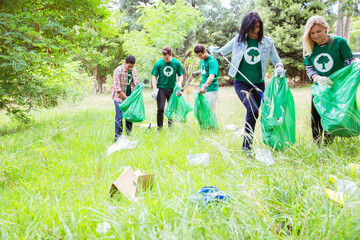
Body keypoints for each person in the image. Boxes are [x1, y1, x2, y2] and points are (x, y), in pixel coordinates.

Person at [214, 12, 285, 153]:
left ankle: (247, 146)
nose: (255, 31)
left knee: (253, 114)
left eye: (258, 27)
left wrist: (279, 68)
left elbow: (277, 61)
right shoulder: (237, 40)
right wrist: (212, 50)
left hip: (258, 84)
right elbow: (220, 52)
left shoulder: (268, 42)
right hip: (241, 83)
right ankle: (246, 148)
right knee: (252, 109)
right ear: (245, 27)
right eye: (252, 27)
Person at [302, 15, 356, 146]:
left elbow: (349, 61)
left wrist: (356, 62)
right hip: (320, 87)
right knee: (315, 117)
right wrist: (316, 78)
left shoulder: (339, 42)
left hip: (336, 86)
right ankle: (316, 144)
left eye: (318, 31)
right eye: (312, 33)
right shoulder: (308, 47)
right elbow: (309, 68)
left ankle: (327, 145)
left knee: (330, 115)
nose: (315, 35)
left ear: (325, 29)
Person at [151, 46, 184, 129]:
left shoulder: (177, 63)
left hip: (173, 89)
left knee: (171, 109)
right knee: (161, 108)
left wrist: (179, 82)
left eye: (167, 58)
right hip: (161, 89)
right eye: (163, 58)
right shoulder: (158, 64)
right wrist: (155, 89)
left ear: (171, 55)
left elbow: (180, 75)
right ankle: (160, 127)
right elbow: (154, 77)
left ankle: (171, 126)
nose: (165, 59)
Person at [112, 55, 138, 142]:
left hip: (129, 97)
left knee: (129, 117)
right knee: (119, 117)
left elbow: (135, 83)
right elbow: (117, 89)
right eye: (129, 66)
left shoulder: (133, 70)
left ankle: (128, 135)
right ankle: (117, 138)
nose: (130, 68)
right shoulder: (117, 71)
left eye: (132, 67)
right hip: (119, 98)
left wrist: (139, 87)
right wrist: (125, 98)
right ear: (125, 63)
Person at [193, 44, 219, 121]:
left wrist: (205, 86)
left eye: (200, 55)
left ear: (204, 51)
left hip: (211, 89)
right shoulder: (202, 60)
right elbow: (204, 70)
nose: (199, 57)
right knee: (203, 110)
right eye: (197, 56)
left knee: (211, 111)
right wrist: (197, 72)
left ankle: (215, 128)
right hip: (202, 89)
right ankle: (207, 127)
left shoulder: (212, 61)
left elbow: (211, 76)